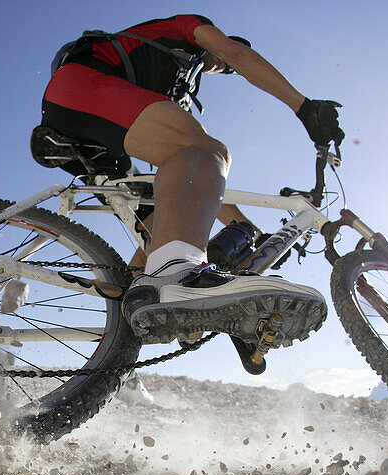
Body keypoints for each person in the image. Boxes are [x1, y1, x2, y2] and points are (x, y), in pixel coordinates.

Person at [42, 15, 345, 347]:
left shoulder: (179, 91)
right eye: (226, 55)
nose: (225, 63)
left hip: (92, 133)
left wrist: (252, 232)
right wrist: (306, 109)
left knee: (162, 240)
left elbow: (190, 181)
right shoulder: (187, 28)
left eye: (227, 67)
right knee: (206, 152)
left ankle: (117, 345)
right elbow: (235, 58)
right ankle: (174, 274)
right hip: (83, 84)